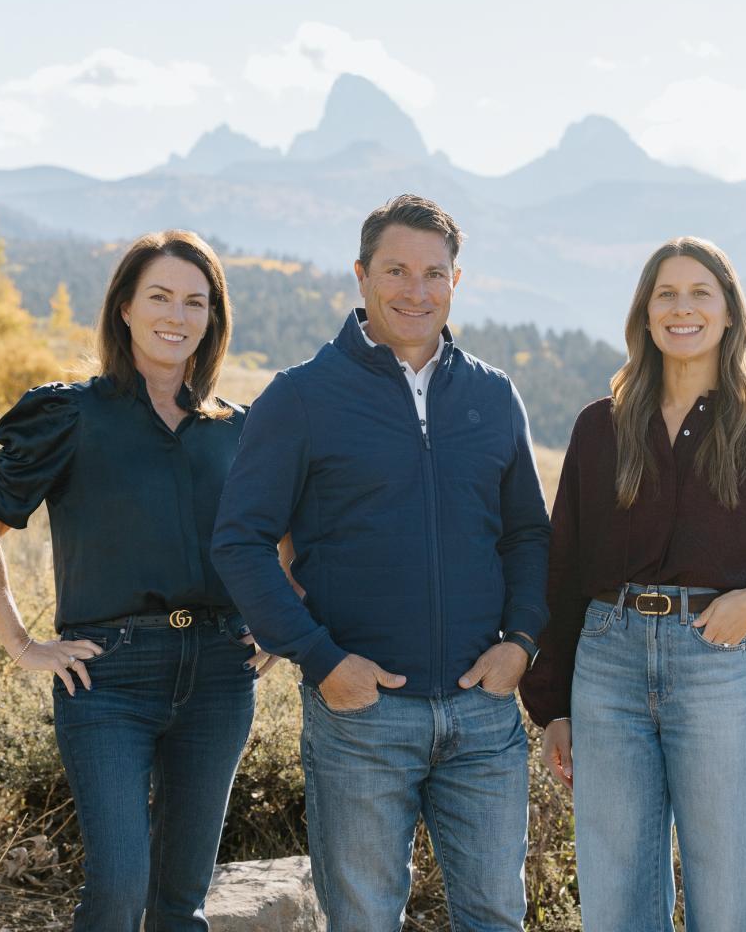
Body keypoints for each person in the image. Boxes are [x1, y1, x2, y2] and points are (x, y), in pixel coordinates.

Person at [211, 194, 551, 932]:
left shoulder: (493, 396)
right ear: (360, 276)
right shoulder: (300, 397)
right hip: (359, 715)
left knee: (496, 915)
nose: (415, 290)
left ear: (456, 282)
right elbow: (239, 541)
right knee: (363, 919)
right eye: (396, 270)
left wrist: (521, 644)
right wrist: (320, 658)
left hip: (483, 716)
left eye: (434, 273)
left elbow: (528, 534)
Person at [0, 230, 273, 932]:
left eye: (196, 301)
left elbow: (292, 538)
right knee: (119, 892)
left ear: (212, 317)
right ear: (124, 307)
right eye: (159, 296)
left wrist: (281, 621)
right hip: (108, 680)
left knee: (180, 904)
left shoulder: (237, 430)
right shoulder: (71, 415)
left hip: (221, 677)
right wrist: (22, 644)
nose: (177, 315)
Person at [519, 236, 746, 932]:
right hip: (605, 672)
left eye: (701, 293)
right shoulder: (600, 429)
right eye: (666, 293)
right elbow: (564, 571)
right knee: (617, 907)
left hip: (716, 669)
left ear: (729, 315)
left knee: (726, 907)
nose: (682, 307)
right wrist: (553, 706)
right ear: (644, 312)